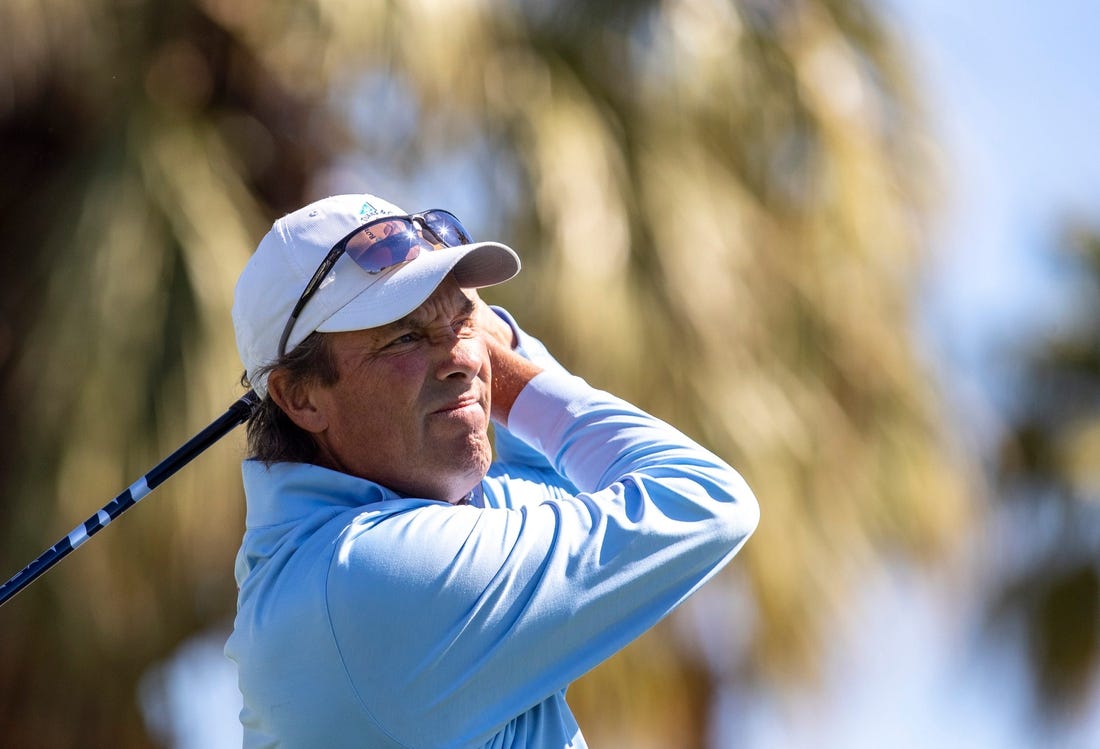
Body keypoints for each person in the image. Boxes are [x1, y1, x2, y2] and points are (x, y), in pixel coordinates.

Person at [225, 192, 759, 748]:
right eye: (404, 336)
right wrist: (503, 359)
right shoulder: (372, 575)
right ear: (302, 397)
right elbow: (704, 498)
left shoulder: (333, 556)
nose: (463, 357)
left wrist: (478, 337)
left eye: (462, 321)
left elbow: (567, 476)